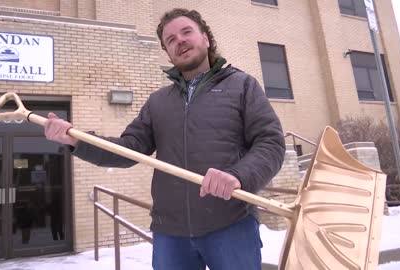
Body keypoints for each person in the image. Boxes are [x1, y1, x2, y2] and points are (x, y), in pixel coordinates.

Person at [44, 8, 285, 270]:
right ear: (168, 52)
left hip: (231, 225)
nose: (179, 41)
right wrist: (76, 140)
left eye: (186, 32)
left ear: (205, 38)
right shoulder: (158, 102)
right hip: (171, 234)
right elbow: (128, 149)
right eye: (170, 40)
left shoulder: (242, 86)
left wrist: (238, 175)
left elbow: (270, 143)